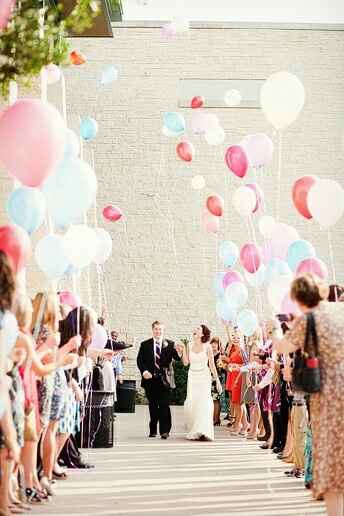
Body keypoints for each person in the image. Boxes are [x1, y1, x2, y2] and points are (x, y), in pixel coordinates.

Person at [273, 273, 344, 516]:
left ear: (300, 300)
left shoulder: (308, 319)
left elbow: (283, 347)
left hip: (329, 396)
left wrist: (276, 330)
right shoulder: (339, 311)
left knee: (332, 462)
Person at [137, 321, 182, 439]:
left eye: (160, 329)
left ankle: (164, 431)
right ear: (152, 330)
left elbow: (177, 358)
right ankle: (153, 430)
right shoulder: (145, 344)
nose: (158, 331)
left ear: (163, 331)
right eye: (156, 329)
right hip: (150, 380)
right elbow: (140, 361)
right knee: (153, 405)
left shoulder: (170, 344)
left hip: (164, 380)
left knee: (164, 405)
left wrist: (180, 351)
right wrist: (144, 371)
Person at [181, 324, 222, 441]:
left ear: (203, 334)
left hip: (204, 376)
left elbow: (212, 365)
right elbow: (185, 363)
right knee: (193, 402)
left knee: (203, 403)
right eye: (196, 328)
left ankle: (204, 430)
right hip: (193, 376)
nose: (196, 329)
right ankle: (195, 429)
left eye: (198, 329)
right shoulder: (189, 345)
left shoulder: (207, 347)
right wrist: (184, 349)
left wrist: (217, 381)